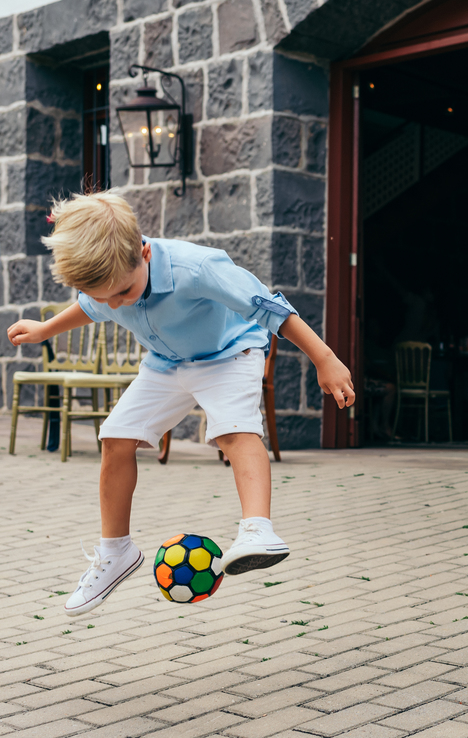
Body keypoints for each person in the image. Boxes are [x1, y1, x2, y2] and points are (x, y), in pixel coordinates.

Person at [5, 192, 355, 617]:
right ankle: (116, 552)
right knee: (115, 437)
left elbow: (269, 307)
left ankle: (257, 530)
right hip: (166, 364)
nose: (117, 304)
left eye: (123, 292)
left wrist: (325, 358)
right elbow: (90, 306)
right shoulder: (109, 284)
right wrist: (45, 329)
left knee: (232, 431)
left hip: (229, 355)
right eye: (108, 298)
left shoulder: (197, 267)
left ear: (144, 252)